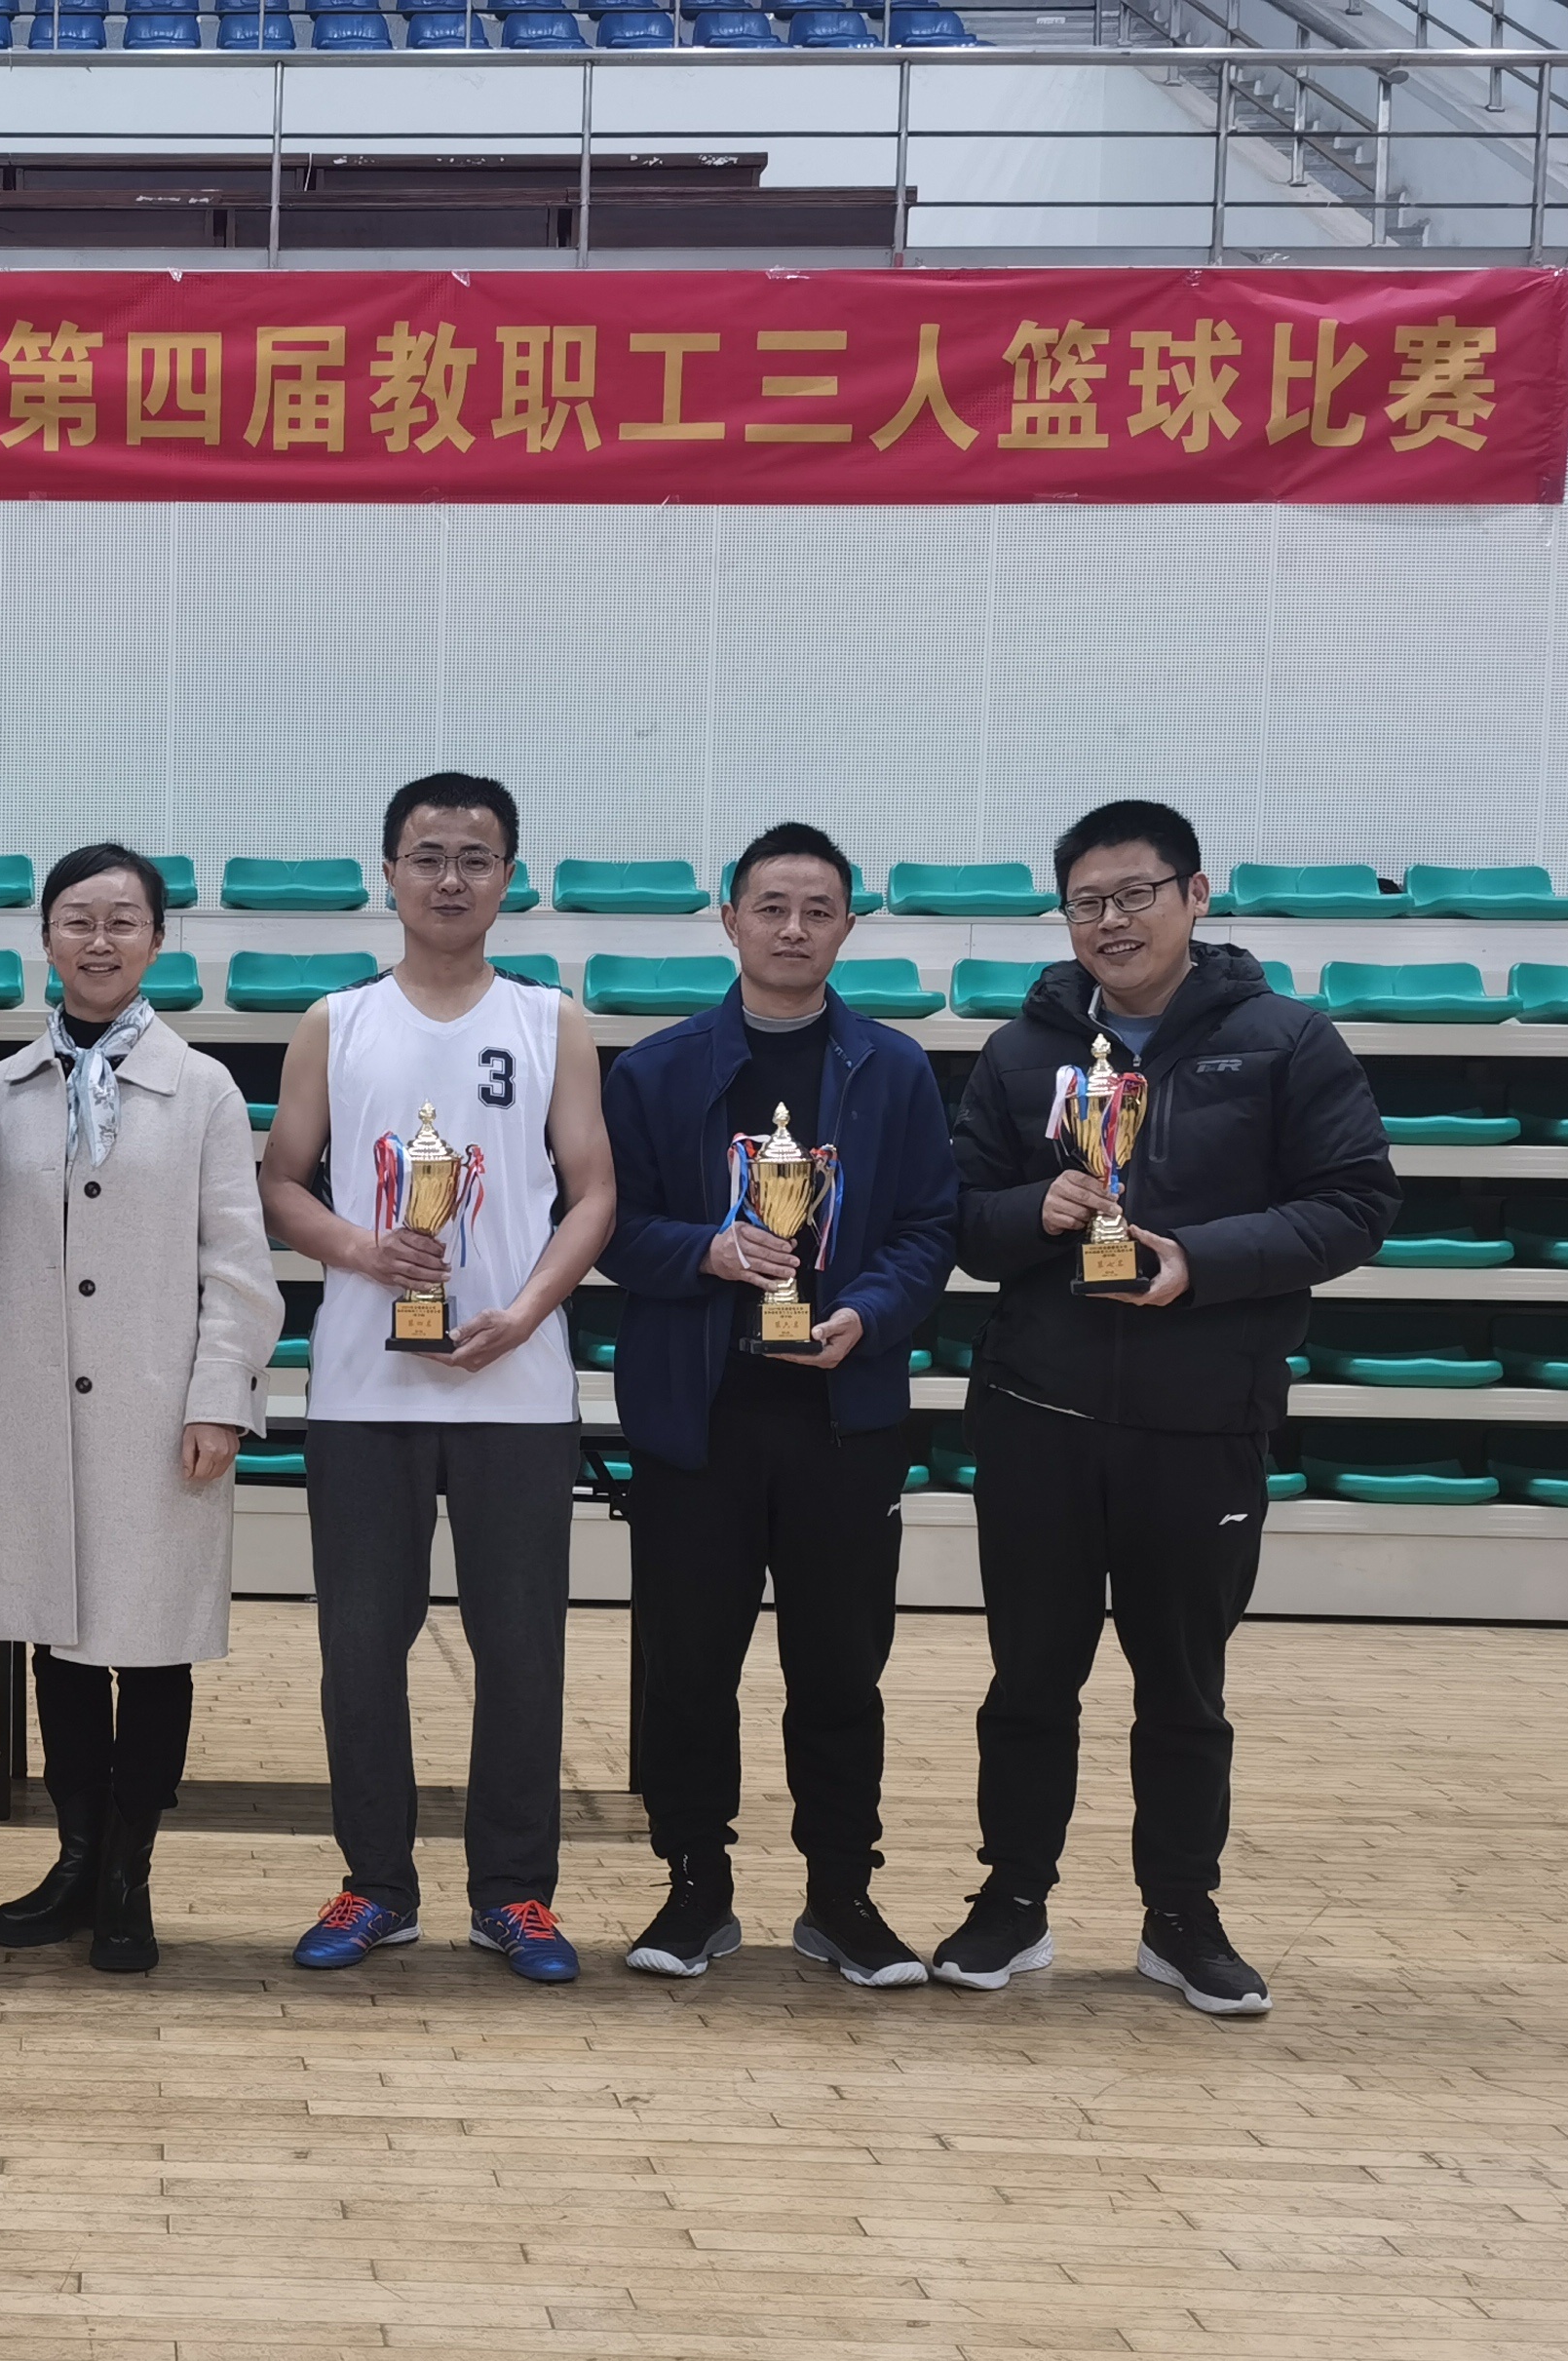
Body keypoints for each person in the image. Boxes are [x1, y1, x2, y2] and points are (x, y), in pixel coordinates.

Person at [940, 798, 1397, 2015]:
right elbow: (960, 1220)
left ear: (1196, 895)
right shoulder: (1020, 1052)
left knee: (1185, 1691)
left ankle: (1182, 1915)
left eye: (1136, 893)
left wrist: (1203, 1257)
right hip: (1037, 1414)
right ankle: (1011, 1900)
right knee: (1027, 1683)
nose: (1112, 920)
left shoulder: (1286, 1039)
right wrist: (1028, 1212)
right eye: (1087, 902)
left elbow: (1357, 1202)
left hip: (1204, 1423)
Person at [258, 773, 615, 1983]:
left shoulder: (552, 1020)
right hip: (367, 1387)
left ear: (508, 877)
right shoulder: (336, 1020)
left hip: (517, 1385)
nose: (450, 878)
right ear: (390, 873)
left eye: (475, 857)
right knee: (362, 1647)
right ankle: (376, 1883)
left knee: (521, 1650)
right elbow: (282, 1180)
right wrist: (362, 1249)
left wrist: (528, 1310)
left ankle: (514, 1893)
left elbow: (595, 1190)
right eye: (428, 856)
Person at [595, 824, 959, 1991]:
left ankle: (841, 1895)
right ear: (731, 919)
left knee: (841, 1671)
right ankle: (694, 1885)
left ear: (847, 925)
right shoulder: (655, 1070)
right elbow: (606, 1226)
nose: (793, 928)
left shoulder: (894, 1069)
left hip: (842, 1414)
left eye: (817, 909)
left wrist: (871, 1312)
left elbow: (929, 1227)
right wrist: (704, 1251)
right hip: (696, 1415)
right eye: (771, 907)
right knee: (689, 1668)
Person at [0, 844, 282, 1974]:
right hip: (30, 1410)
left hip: (157, 1413)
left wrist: (219, 1398)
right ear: (45, 936)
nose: (99, 939)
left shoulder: (204, 1088)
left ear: (158, 941)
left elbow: (238, 1264)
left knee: (154, 1645)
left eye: (122, 920)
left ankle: (130, 1870)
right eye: (77, 919)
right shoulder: (3, 1094)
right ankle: (76, 1860)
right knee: (60, 1641)